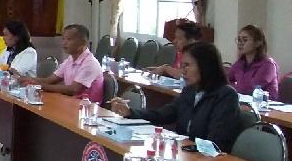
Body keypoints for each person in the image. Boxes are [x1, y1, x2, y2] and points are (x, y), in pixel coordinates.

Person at [110, 41, 243, 152]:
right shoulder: (190, 90)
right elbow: (163, 114)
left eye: (187, 65)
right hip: (185, 155)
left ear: (205, 66)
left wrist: (184, 146)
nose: (183, 71)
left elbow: (215, 143)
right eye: (182, 66)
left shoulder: (226, 96)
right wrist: (130, 112)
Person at [21, 24, 104, 103]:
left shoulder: (90, 63)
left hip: (85, 108)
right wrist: (29, 79)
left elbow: (73, 89)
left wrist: (39, 86)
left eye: (69, 39)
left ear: (83, 42)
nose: (64, 43)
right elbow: (50, 80)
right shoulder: (70, 59)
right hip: (70, 103)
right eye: (63, 39)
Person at [228, 24, 279, 96]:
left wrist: (234, 89)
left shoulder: (268, 65)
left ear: (257, 43)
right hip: (244, 100)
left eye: (245, 40)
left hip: (263, 102)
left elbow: (252, 88)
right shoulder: (240, 63)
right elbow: (226, 80)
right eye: (239, 40)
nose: (240, 43)